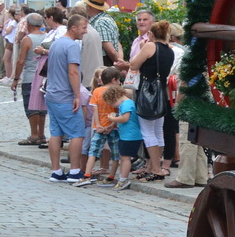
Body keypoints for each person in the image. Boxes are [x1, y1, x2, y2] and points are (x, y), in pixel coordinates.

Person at [126, 19, 175, 180]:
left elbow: (133, 64)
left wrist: (141, 48)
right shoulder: (170, 50)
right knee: (158, 130)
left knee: (147, 132)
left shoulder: (149, 46)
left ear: (152, 34)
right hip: (161, 91)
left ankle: (155, 168)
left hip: (147, 91)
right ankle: (155, 166)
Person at [43, 13, 88, 181]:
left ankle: (56, 171)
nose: (85, 31)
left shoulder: (56, 43)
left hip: (52, 94)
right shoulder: (72, 46)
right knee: (77, 133)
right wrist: (77, 95)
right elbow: (73, 71)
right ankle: (75, 171)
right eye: (83, 28)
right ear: (74, 27)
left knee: (55, 133)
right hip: (65, 95)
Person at [74, 65, 124, 187]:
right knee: (115, 153)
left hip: (99, 128)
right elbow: (118, 111)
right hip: (114, 127)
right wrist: (112, 125)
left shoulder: (96, 91)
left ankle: (86, 175)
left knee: (93, 152)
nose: (119, 82)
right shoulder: (117, 92)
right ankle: (111, 176)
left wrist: (99, 125)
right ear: (113, 80)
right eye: (118, 80)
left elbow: (95, 110)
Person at [11, 12, 49, 146]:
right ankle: (41, 134)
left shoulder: (27, 39)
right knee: (42, 106)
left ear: (29, 24)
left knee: (31, 105)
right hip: (44, 76)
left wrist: (16, 78)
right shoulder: (47, 37)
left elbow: (21, 61)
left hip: (30, 76)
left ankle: (34, 134)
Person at [100, 80, 141, 190]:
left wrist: (112, 118)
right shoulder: (126, 104)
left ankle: (123, 179)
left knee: (125, 158)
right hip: (126, 135)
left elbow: (125, 118)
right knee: (123, 157)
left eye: (112, 103)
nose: (113, 106)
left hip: (130, 135)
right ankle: (122, 177)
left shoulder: (126, 104)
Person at [83, 0, 126, 68]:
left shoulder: (100, 23)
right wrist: (120, 60)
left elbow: (110, 50)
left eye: (86, 5)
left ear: (89, 7)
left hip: (105, 63)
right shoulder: (108, 19)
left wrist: (119, 65)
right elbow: (118, 44)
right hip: (109, 63)